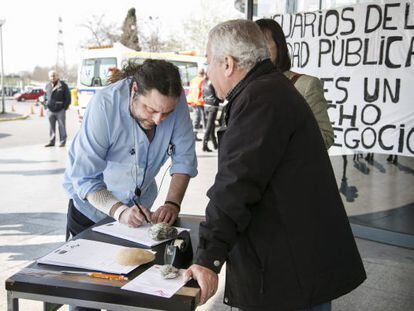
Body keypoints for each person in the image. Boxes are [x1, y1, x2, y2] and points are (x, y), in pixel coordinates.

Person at [184, 20, 366, 310]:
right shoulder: (268, 90)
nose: (207, 72)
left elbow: (236, 183)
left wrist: (208, 259)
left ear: (228, 64)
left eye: (209, 61)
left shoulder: (260, 99)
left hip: (289, 274)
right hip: (297, 263)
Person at [63, 59, 197, 239]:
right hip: (92, 209)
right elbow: (85, 178)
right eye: (150, 109)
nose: (158, 120)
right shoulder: (104, 104)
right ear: (134, 90)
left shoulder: (175, 100)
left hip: (139, 212)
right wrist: (120, 212)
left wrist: (172, 203)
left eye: (166, 113)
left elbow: (184, 159)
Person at [256, 18, 334, 150]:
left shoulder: (305, 85)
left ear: (279, 45)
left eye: (264, 42)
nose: (258, 49)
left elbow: (325, 138)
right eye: (253, 43)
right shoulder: (246, 88)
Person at [44, 70, 71, 147]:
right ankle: (51, 141)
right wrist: (46, 107)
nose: (53, 77)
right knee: (51, 127)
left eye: (54, 75)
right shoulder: (47, 85)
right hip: (50, 110)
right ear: (49, 77)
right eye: (51, 76)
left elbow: (68, 97)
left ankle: (62, 141)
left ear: (57, 76)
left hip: (60, 111)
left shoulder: (63, 85)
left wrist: (64, 108)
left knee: (62, 126)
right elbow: (45, 97)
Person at [187, 68, 206, 141]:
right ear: (203, 73)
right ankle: (206, 136)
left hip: (193, 101)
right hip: (199, 101)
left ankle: (194, 135)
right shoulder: (202, 80)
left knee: (196, 118)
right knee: (202, 118)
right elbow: (203, 91)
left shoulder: (193, 80)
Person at [201, 76, 220, 152]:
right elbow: (218, 95)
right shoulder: (213, 83)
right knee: (209, 127)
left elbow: (203, 94)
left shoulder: (204, 83)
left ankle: (215, 145)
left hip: (206, 105)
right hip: (213, 106)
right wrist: (220, 100)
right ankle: (204, 145)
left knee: (211, 125)